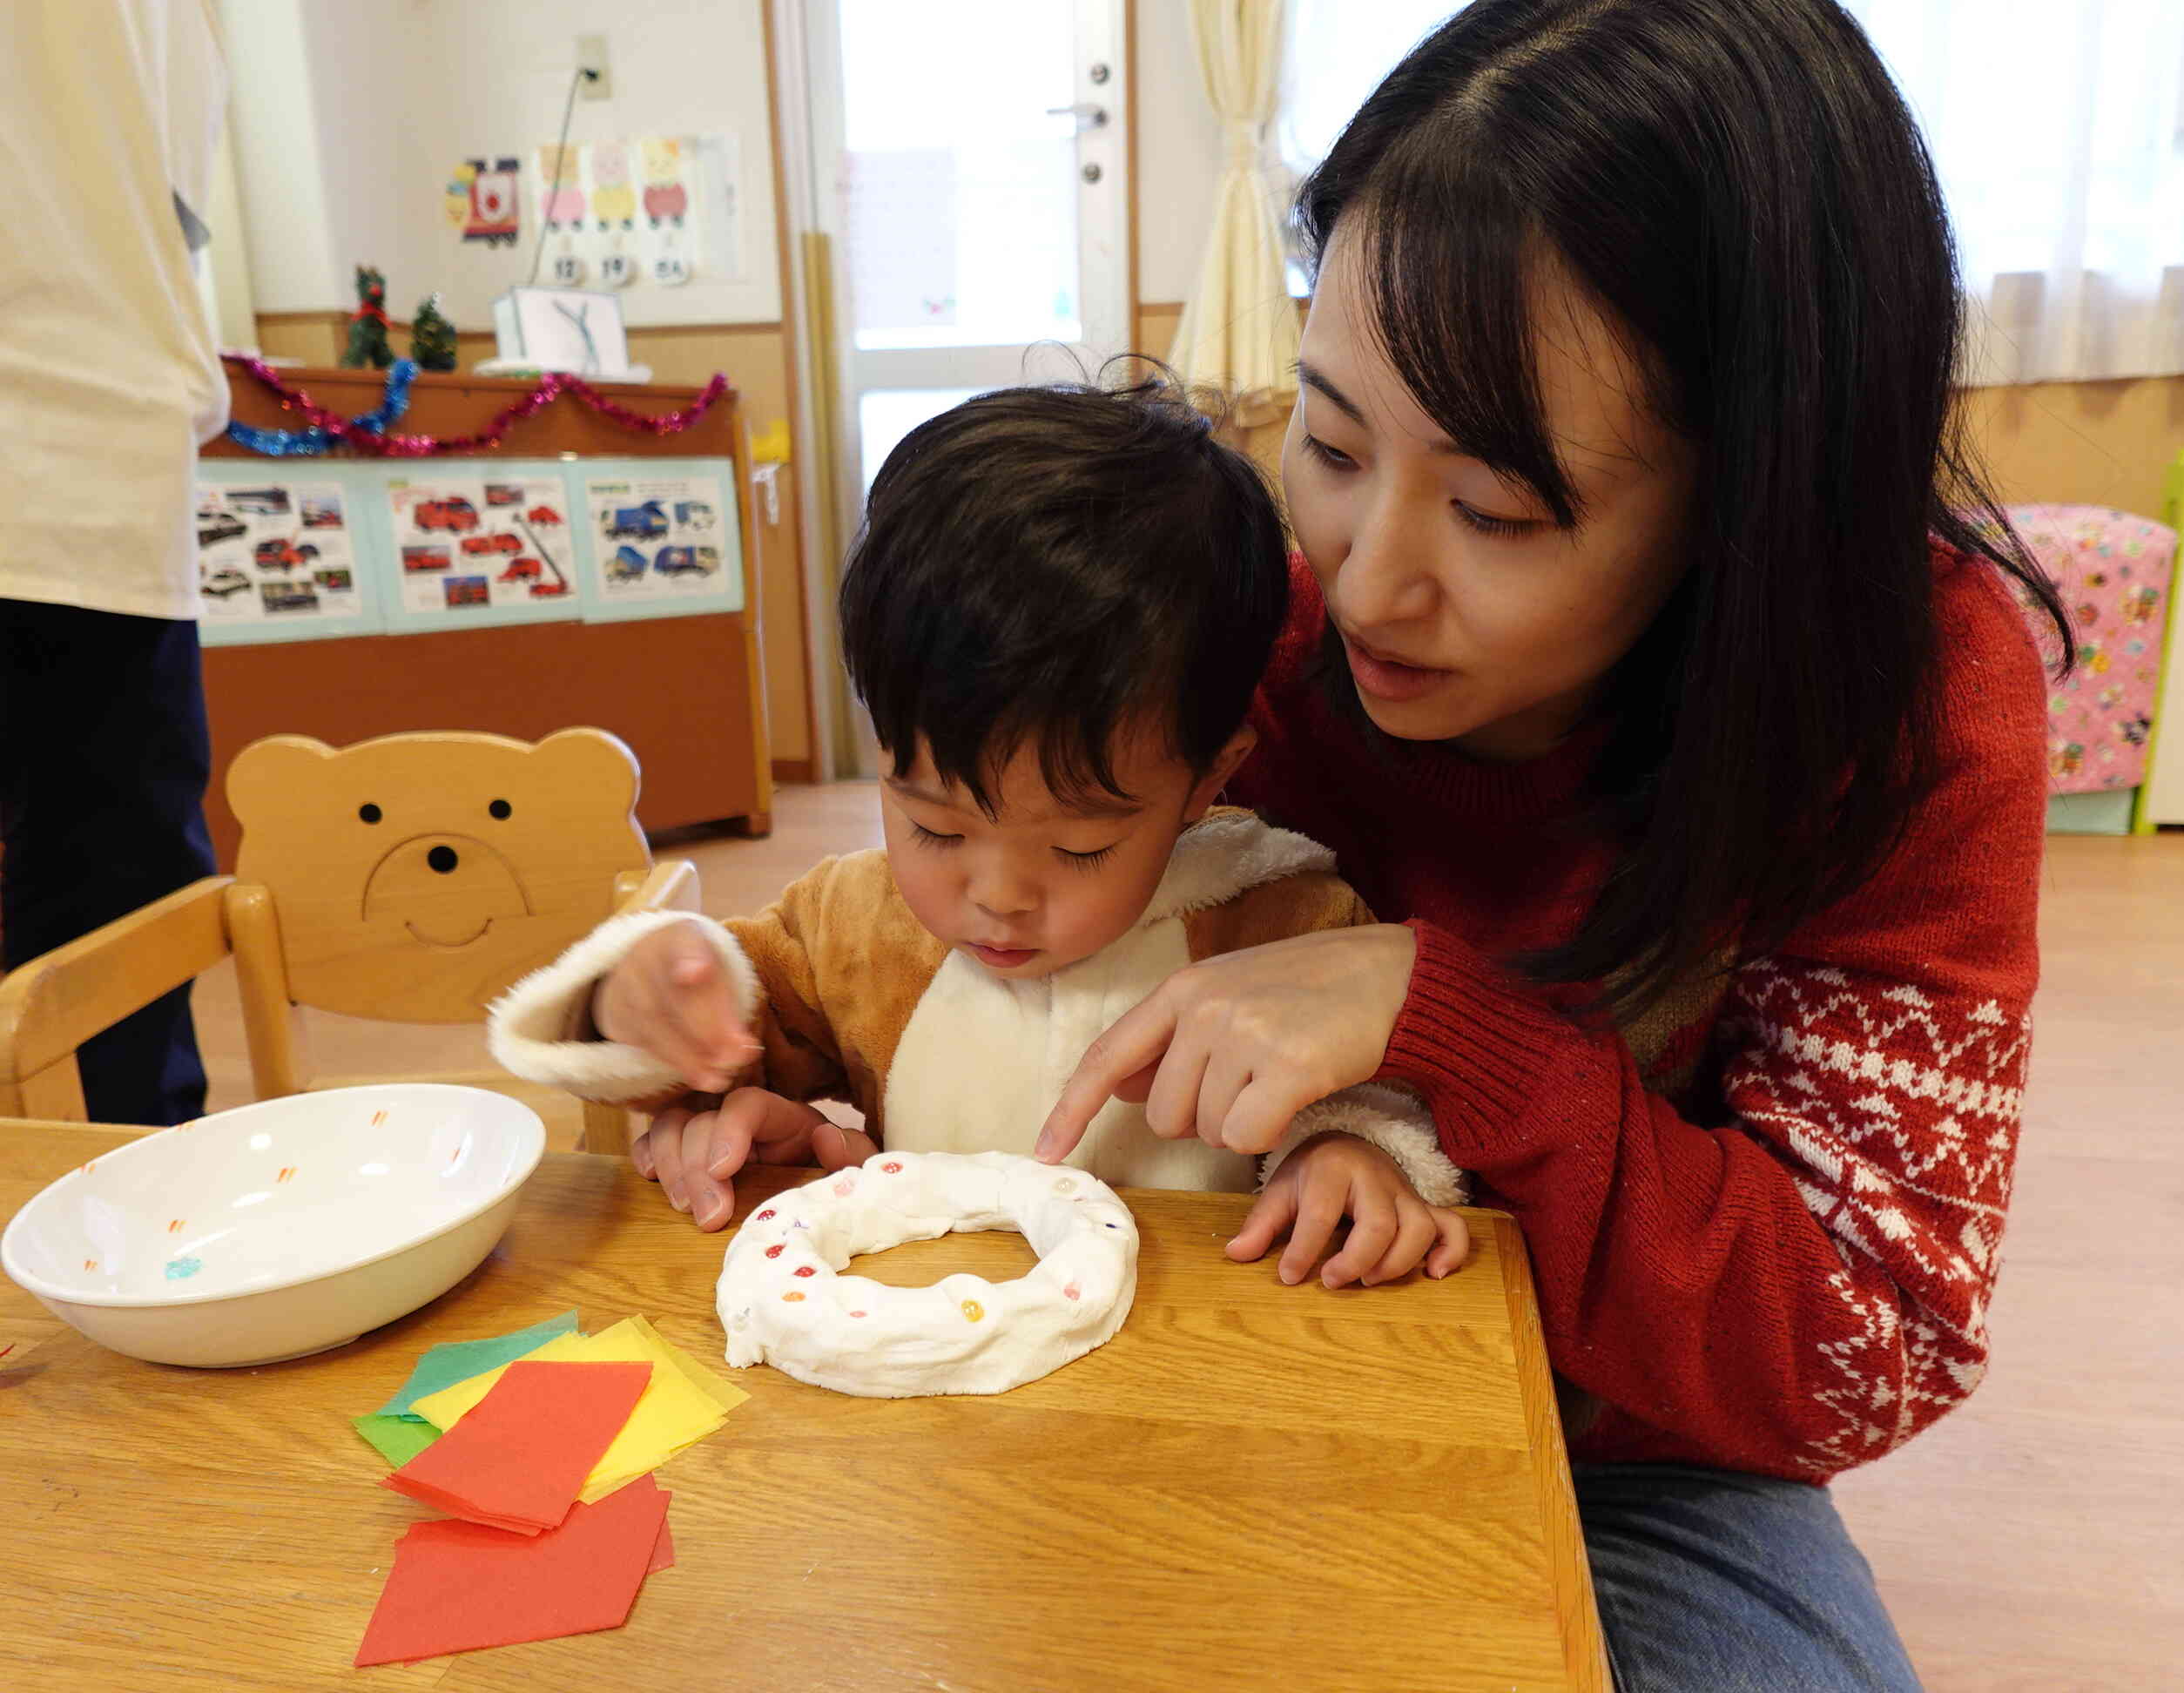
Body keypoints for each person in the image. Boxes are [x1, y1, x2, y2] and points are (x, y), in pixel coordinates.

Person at [1031, 3, 2069, 1687]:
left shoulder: (1901, 697)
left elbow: (1862, 1337)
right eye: (1332, 441)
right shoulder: (1237, 610)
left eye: (1501, 514)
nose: (1367, 582)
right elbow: (958, 916)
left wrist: (1443, 1021)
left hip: (1630, 1452)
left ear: (1747, 500)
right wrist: (739, 1034)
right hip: (1185, 1312)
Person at [489, 379, 1471, 1290]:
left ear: (1206, 777)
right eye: (933, 825)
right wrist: (641, 1001)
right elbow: (732, 1027)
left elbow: (1371, 1096)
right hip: (922, 1357)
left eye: (1080, 846)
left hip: (1173, 1376)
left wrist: (1349, 1155)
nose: (996, 895)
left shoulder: (1280, 919)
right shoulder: (853, 924)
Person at [0, 0, 230, 1125]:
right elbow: (183, 171)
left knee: (130, 936)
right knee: (129, 947)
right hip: (101, 436)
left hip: (99, 451)